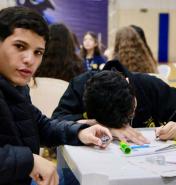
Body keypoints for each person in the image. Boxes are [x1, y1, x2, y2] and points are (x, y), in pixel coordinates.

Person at [0, 6, 112, 185]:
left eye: (38, 52)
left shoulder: (17, 88)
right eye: (20, 46)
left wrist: (80, 132)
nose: (30, 59)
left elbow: (41, 126)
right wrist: (28, 161)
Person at [52, 60, 176, 144]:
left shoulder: (148, 85)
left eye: (131, 113)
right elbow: (55, 122)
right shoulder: (80, 86)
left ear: (128, 83)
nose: (124, 124)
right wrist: (98, 125)